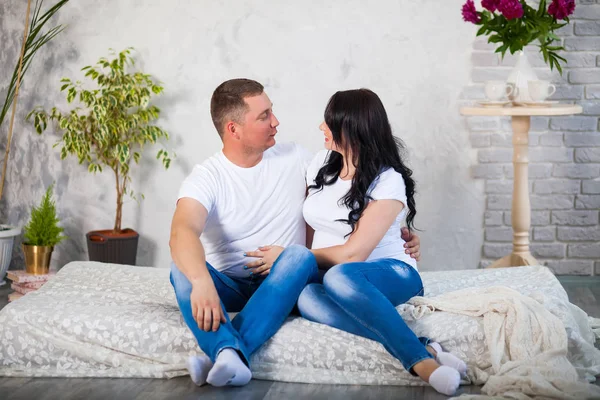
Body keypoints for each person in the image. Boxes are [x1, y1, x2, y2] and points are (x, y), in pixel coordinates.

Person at [169, 79, 422, 387]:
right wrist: (200, 281)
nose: (276, 122)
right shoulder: (207, 177)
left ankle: (226, 353)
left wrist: (392, 231)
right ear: (233, 129)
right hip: (232, 284)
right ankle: (229, 355)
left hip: (288, 280)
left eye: (271, 111)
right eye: (264, 116)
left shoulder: (298, 159)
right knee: (180, 268)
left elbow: (343, 197)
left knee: (298, 255)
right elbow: (182, 231)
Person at [245, 89, 466, 396]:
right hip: (337, 275)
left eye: (328, 122)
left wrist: (291, 256)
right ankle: (424, 348)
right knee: (307, 296)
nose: (321, 128)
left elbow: (355, 253)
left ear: (350, 128)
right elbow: (312, 226)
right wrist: (300, 260)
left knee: (339, 275)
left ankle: (420, 364)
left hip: (391, 273)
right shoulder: (321, 163)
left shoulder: (388, 179)